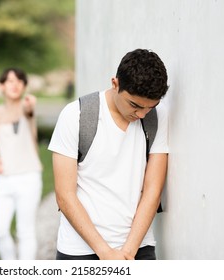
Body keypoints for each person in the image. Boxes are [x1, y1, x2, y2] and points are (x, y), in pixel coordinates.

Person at [48, 49, 169, 260]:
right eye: (135, 105)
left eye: (150, 107)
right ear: (115, 84)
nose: (141, 114)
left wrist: (129, 251)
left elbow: (153, 190)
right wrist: (105, 252)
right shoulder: (76, 115)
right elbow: (64, 195)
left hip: (138, 247)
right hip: (80, 250)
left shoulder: (157, 118)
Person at [0, 67, 43, 260]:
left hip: (29, 176)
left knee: (25, 231)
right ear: (1, 86)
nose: (15, 84)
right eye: (10, 81)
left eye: (20, 81)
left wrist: (29, 105)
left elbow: (29, 111)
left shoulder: (27, 106)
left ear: (24, 87)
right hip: (4, 178)